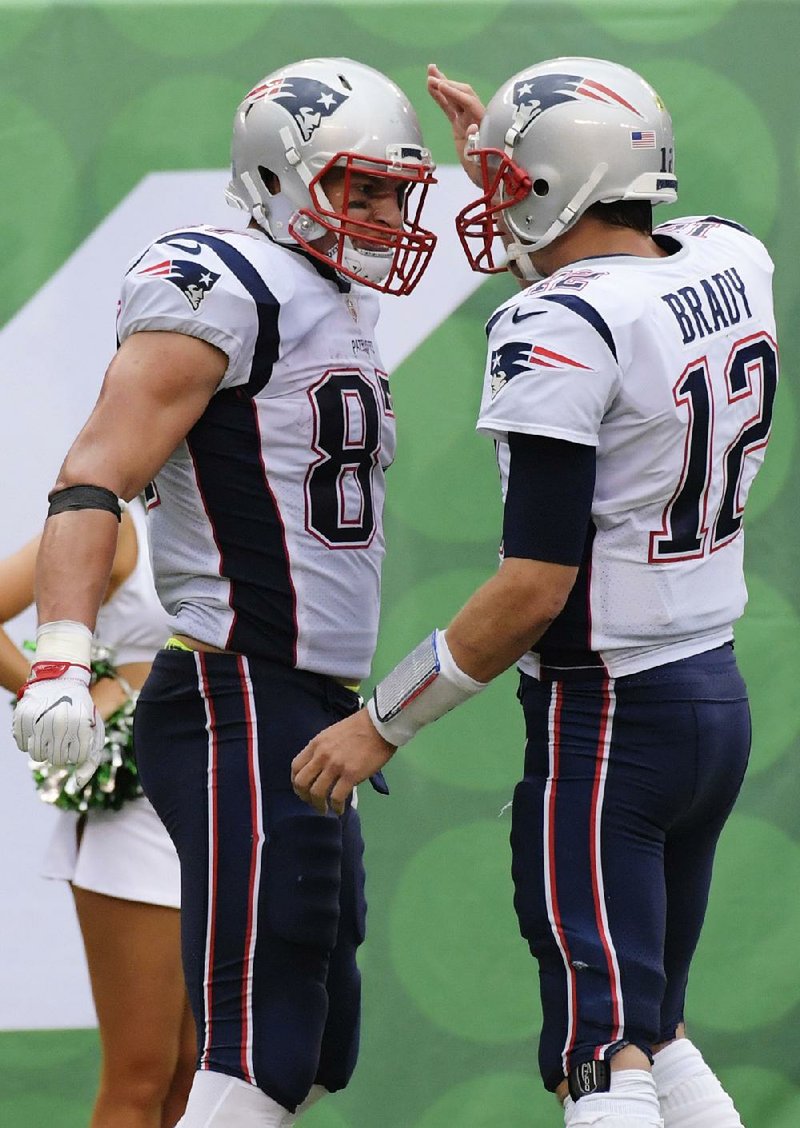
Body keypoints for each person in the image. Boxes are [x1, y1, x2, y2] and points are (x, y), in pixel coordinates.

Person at [291, 57, 777, 1128]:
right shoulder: (730, 257)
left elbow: (531, 589)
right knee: (653, 1021)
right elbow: (614, 302)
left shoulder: (553, 325)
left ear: (559, 181)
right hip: (711, 695)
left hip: (611, 720)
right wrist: (507, 166)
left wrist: (383, 722)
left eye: (512, 181)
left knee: (598, 1054)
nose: (493, 202)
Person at [11, 56, 437, 1128]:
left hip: (306, 700)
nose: (385, 214)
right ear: (280, 176)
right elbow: (95, 470)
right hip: (235, 691)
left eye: (397, 189)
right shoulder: (218, 281)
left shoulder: (323, 295)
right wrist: (60, 654)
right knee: (254, 1044)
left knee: (314, 1038)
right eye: (359, 187)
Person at [1, 496, 195, 1127]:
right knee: (142, 1071)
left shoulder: (245, 513)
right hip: (135, 817)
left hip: (227, 801)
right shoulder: (117, 525)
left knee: (204, 1070)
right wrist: (64, 696)